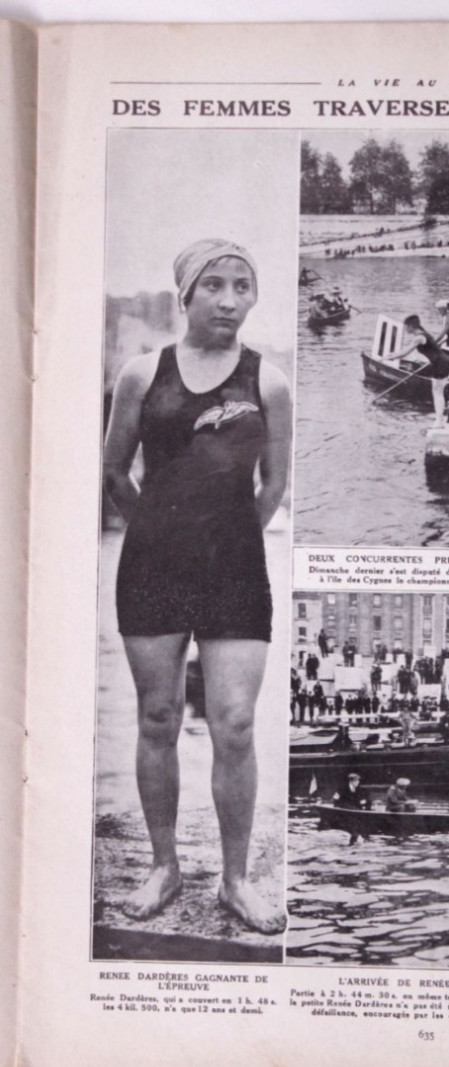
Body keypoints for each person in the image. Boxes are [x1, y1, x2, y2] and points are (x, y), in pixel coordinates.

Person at [104, 238, 292, 935]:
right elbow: (115, 473)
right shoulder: (140, 375)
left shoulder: (266, 382)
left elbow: (272, 485)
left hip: (235, 568)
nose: (228, 298)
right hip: (152, 563)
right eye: (213, 285)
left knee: (235, 724)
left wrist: (228, 537)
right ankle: (164, 865)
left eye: (241, 285)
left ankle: (236, 879)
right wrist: (158, 530)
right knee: (157, 715)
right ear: (185, 294)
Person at [384, 314, 449, 427]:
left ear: (411, 326)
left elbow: (406, 352)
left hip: (441, 364)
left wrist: (392, 357)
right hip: (442, 362)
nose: (405, 329)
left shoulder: (419, 337)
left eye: (406, 326)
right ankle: (440, 419)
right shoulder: (422, 333)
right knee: (438, 392)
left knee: (437, 393)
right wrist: (394, 354)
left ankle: (439, 422)